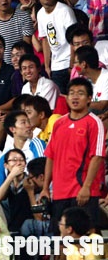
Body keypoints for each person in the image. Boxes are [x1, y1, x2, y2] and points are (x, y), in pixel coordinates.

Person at [40, 78, 106, 235]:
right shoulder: (58, 123)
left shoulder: (94, 122)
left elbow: (97, 157)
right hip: (59, 192)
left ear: (89, 98)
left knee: (85, 240)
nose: (75, 97)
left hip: (82, 192)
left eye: (80, 93)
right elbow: (51, 156)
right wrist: (45, 188)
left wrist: (87, 187)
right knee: (59, 242)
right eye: (72, 93)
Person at [35, 0, 77, 94]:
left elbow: (75, 39)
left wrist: (72, 65)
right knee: (61, 102)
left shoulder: (65, 11)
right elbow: (45, 40)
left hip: (70, 63)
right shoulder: (40, 14)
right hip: (55, 67)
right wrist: (48, 67)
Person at [0, 149, 34, 233]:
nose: (18, 163)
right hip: (13, 228)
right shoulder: (8, 183)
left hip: (29, 228)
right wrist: (11, 176)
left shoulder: (30, 181)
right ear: (6, 165)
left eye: (21, 160)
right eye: (14, 160)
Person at [74, 45, 108, 116]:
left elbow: (102, 105)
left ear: (83, 64)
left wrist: (79, 103)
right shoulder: (86, 82)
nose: (74, 66)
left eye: (75, 62)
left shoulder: (106, 77)